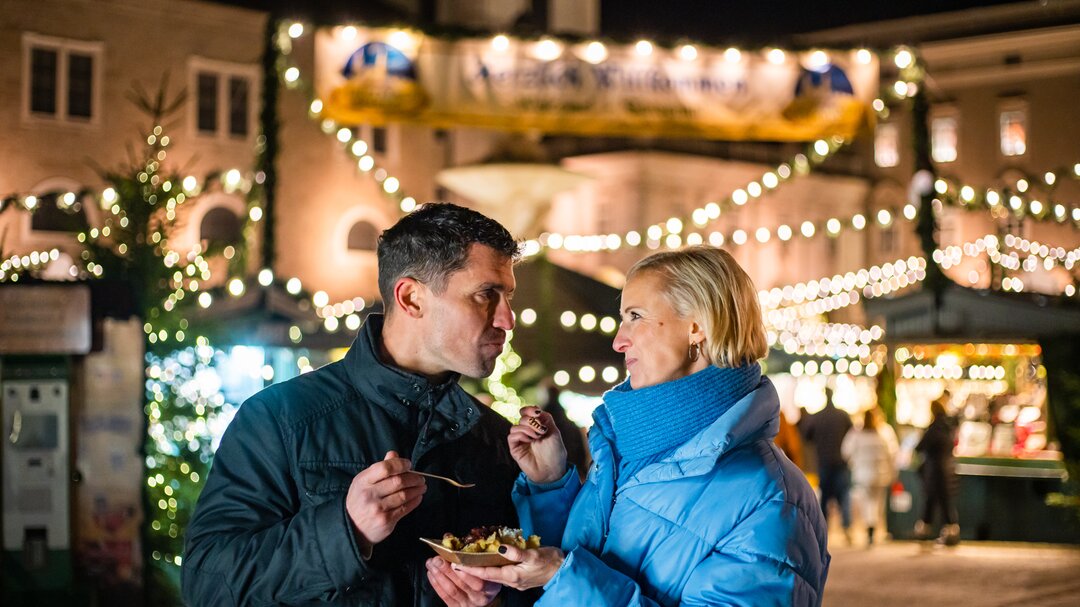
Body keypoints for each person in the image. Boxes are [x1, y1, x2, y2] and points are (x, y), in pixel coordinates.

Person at [182, 203, 531, 606]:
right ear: (412, 298)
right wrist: (346, 530)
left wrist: (497, 602)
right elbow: (207, 584)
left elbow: (537, 583)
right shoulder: (280, 418)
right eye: (487, 294)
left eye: (507, 296)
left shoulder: (497, 439)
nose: (507, 319)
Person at [457, 246, 829, 605]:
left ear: (697, 326)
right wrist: (551, 485)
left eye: (635, 316)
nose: (619, 341)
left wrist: (562, 577)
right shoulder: (626, 450)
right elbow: (579, 560)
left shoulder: (771, 499)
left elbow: (570, 575)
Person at [802, 387, 854, 544]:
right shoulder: (843, 415)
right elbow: (852, 433)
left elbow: (806, 435)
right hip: (840, 460)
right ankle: (847, 529)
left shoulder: (817, 416)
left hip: (823, 460)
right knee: (843, 495)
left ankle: (822, 531)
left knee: (824, 496)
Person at [841, 409, 897, 546]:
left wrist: (853, 463)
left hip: (863, 474)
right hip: (881, 474)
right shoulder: (885, 432)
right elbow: (893, 453)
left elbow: (845, 451)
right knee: (878, 503)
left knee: (866, 503)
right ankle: (875, 527)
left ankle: (869, 528)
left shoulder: (857, 433)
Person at [915, 399, 960, 546]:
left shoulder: (933, 429)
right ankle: (950, 531)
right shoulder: (949, 427)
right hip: (948, 468)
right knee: (945, 501)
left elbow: (919, 447)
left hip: (935, 470)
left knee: (931, 500)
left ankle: (925, 531)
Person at [539, 384, 589, 481]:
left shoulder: (541, 422)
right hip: (571, 470)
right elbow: (580, 450)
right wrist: (582, 469)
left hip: (548, 473)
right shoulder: (570, 424)